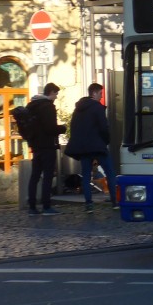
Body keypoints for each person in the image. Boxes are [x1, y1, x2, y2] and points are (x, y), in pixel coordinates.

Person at [64, 83, 115, 211]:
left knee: (86, 175)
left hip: (84, 148)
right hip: (98, 146)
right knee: (110, 172)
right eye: (100, 94)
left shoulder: (78, 109)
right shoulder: (97, 107)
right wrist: (106, 141)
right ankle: (115, 202)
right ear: (94, 93)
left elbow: (73, 128)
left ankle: (89, 204)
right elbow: (104, 127)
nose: (101, 96)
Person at [26, 82, 66, 215]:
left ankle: (32, 207)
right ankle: (46, 206)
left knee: (35, 176)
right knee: (48, 177)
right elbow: (50, 128)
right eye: (56, 94)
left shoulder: (32, 106)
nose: (56, 97)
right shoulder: (47, 107)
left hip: (35, 147)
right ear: (51, 93)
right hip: (47, 146)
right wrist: (62, 128)